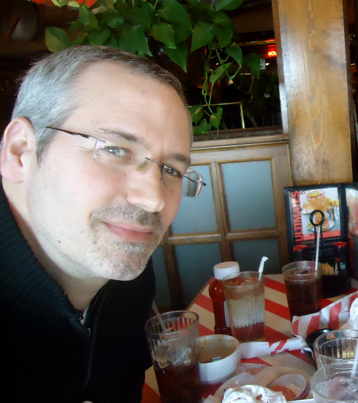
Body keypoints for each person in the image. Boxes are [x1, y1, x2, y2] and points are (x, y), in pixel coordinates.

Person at [0, 45, 205, 402]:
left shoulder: (130, 279)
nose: (153, 199)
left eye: (171, 170)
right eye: (114, 149)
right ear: (20, 152)